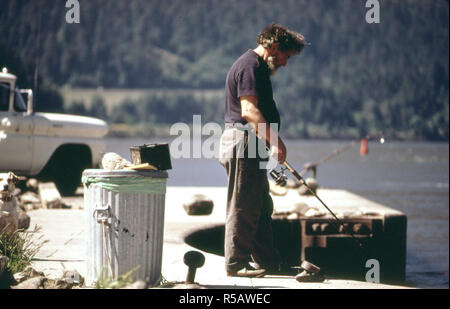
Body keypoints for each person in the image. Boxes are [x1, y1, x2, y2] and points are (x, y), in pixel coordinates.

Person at [219, 23, 307, 277]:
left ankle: (268, 262)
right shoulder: (251, 66)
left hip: (252, 144)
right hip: (244, 143)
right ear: (275, 47)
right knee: (244, 205)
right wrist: (277, 141)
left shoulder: (255, 67)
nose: (285, 63)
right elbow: (249, 111)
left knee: (260, 205)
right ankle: (236, 264)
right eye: (285, 57)